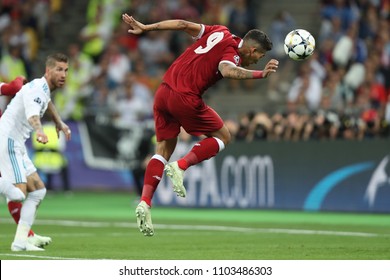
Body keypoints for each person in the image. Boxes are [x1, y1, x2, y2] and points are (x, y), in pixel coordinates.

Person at [122, 14, 278, 236]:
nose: (257, 61)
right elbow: (227, 70)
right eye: (259, 57)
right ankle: (181, 166)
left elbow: (183, 24)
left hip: (163, 92)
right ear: (252, 50)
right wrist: (260, 74)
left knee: (162, 150)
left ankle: (145, 201)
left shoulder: (220, 31)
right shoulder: (232, 55)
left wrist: (147, 27)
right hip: (185, 98)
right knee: (224, 136)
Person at [0, 53, 72, 251]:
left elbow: (47, 103)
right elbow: (33, 115)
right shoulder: (36, 91)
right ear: (48, 71)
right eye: (59, 69)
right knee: (18, 195)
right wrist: (40, 131)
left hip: (17, 143)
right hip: (7, 140)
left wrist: (59, 122)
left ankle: (20, 241)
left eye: (66, 70)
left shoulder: (42, 88)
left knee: (38, 190)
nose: (64, 74)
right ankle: (21, 241)